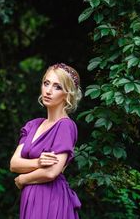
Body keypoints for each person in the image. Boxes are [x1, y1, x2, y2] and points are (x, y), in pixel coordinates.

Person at [10, 63, 82, 218]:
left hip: (51, 197)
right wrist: (38, 163)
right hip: (30, 197)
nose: (48, 91)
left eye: (57, 87)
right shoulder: (33, 125)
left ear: (67, 94)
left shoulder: (65, 126)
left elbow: (51, 172)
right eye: (46, 83)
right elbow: (14, 164)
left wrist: (23, 178)